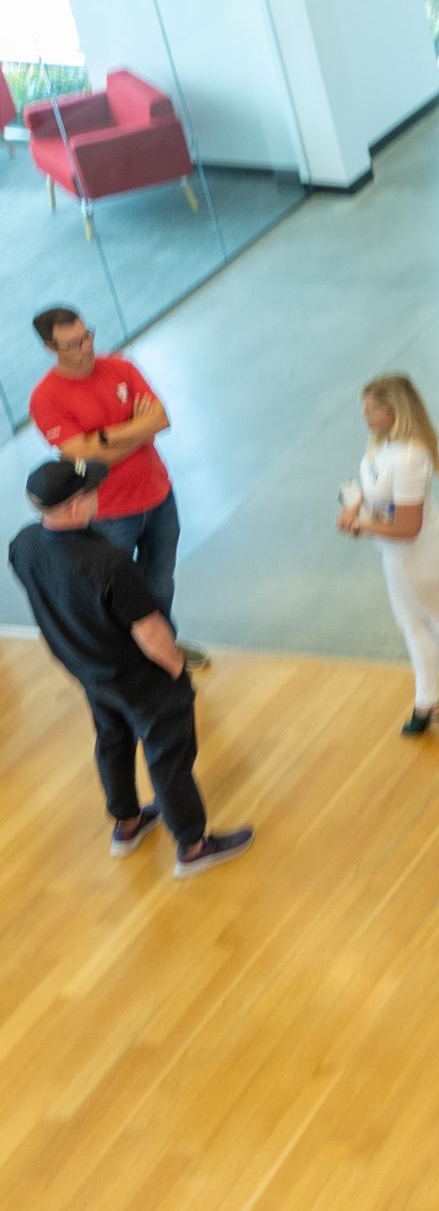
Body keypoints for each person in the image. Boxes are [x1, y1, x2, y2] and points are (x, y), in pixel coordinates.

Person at [8, 459, 254, 878]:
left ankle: (127, 822)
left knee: (112, 741)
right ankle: (193, 846)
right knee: (168, 756)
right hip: (138, 678)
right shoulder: (110, 563)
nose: (97, 498)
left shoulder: (23, 544)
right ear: (72, 507)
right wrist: (176, 668)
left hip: (88, 672)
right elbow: (151, 632)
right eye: (90, 494)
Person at [26, 305, 207, 666]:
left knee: (160, 583)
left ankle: (163, 646)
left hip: (159, 498)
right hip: (109, 516)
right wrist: (136, 431)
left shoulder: (122, 367)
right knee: (114, 595)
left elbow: (161, 418)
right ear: (51, 349)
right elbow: (83, 460)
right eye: (73, 344)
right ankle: (128, 660)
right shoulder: (46, 398)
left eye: (87, 335)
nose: (87, 347)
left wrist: (103, 439)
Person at [338, 374, 439, 738]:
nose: (365, 415)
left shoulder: (409, 458)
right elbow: (372, 490)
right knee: (419, 621)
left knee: (433, 618)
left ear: (395, 411)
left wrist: (363, 526)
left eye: (373, 408)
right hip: (396, 551)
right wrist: (355, 505)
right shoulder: (381, 446)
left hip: (417, 553)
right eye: (364, 407)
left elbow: (407, 527)